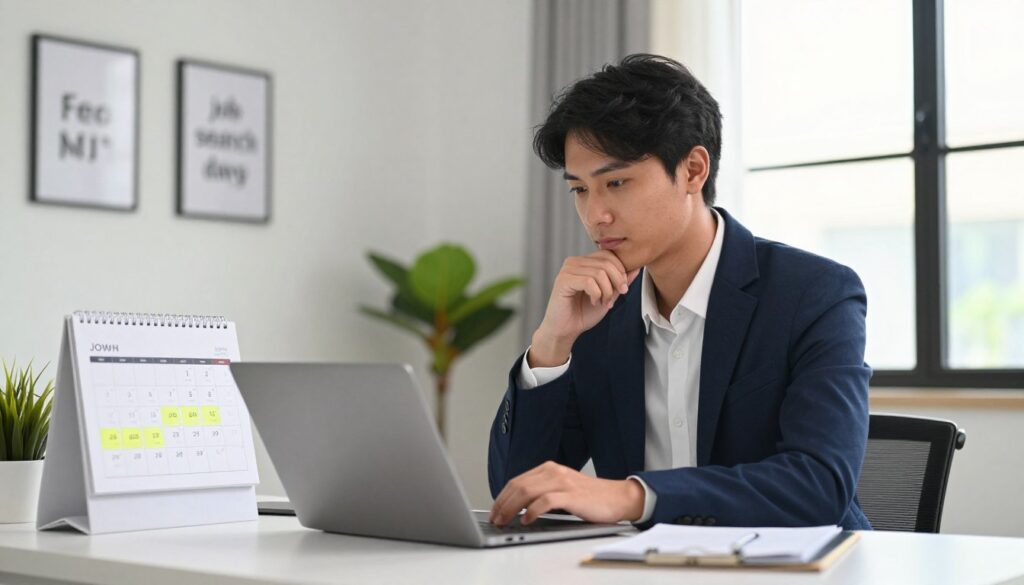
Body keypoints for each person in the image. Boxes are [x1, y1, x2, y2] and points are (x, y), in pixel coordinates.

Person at [487, 54, 872, 530]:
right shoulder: (597, 309)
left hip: (799, 568)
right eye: (580, 190)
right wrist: (551, 345)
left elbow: (819, 486)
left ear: (693, 170)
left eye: (616, 182)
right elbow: (515, 492)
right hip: (646, 568)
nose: (595, 215)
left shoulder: (813, 294)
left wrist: (634, 496)